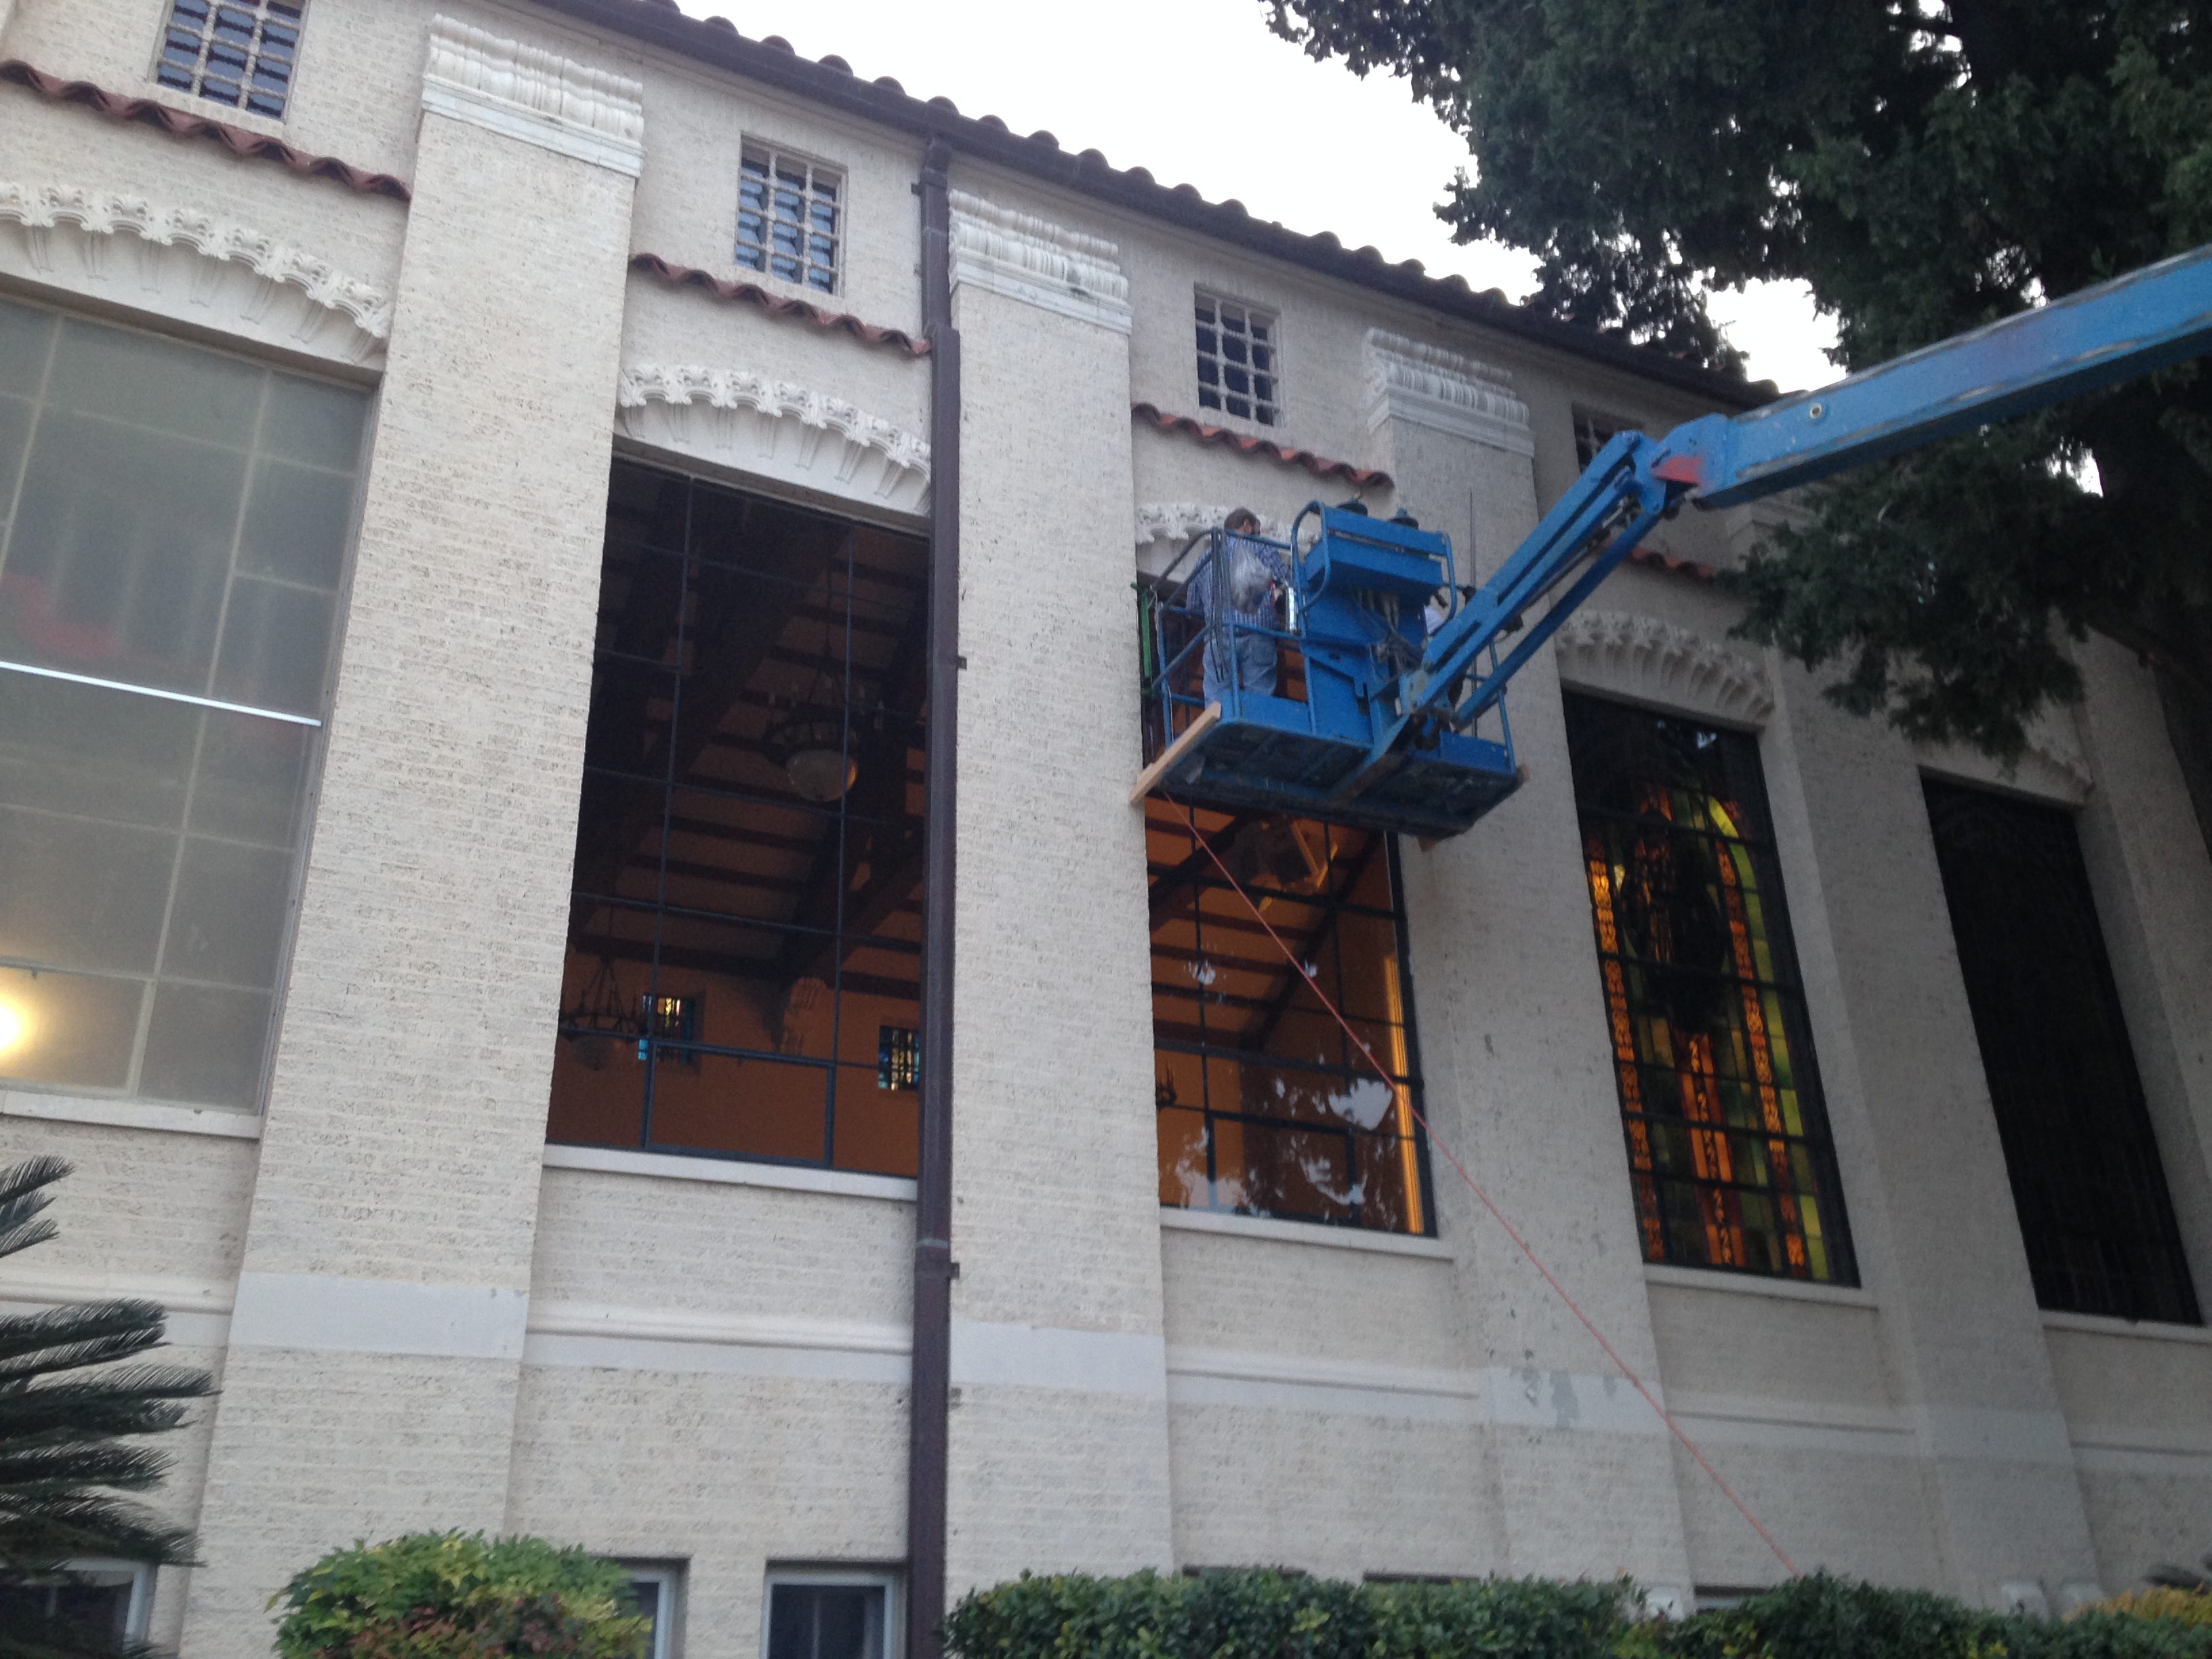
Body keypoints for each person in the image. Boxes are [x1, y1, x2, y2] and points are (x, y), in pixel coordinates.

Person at [1194, 507, 1291, 706]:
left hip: (1218, 639)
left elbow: (1194, 606)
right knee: (1260, 704)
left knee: (1217, 706)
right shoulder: (1262, 548)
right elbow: (1288, 580)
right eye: (1258, 530)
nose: (1259, 536)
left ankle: (1219, 731)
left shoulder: (1205, 558)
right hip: (1257, 636)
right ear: (1247, 526)